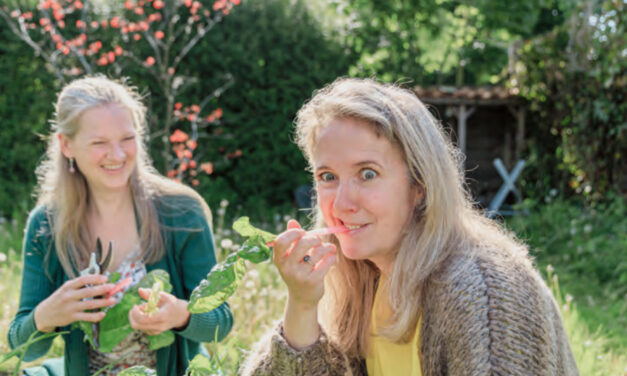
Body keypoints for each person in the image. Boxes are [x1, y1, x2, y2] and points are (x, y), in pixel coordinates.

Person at [241, 78, 579, 375]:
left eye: (367, 174)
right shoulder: (360, 284)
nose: (342, 204)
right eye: (327, 176)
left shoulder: (486, 294)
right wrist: (301, 305)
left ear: (419, 186)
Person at [8, 75, 233, 376]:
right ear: (67, 146)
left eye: (127, 139)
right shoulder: (46, 226)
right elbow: (24, 346)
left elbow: (220, 322)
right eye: (99, 143)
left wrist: (180, 315)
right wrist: (47, 315)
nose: (117, 155)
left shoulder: (182, 214)